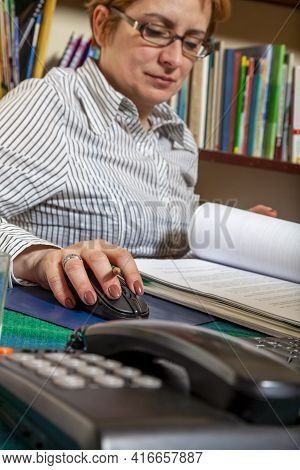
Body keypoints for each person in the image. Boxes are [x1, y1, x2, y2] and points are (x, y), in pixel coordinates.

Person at [0, 0, 277, 312]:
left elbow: (162, 255)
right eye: (155, 31)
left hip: (156, 329)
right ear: (103, 25)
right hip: (60, 330)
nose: (174, 59)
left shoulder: (179, 138)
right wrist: (35, 258)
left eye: (191, 43)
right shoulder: (48, 104)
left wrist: (229, 239)